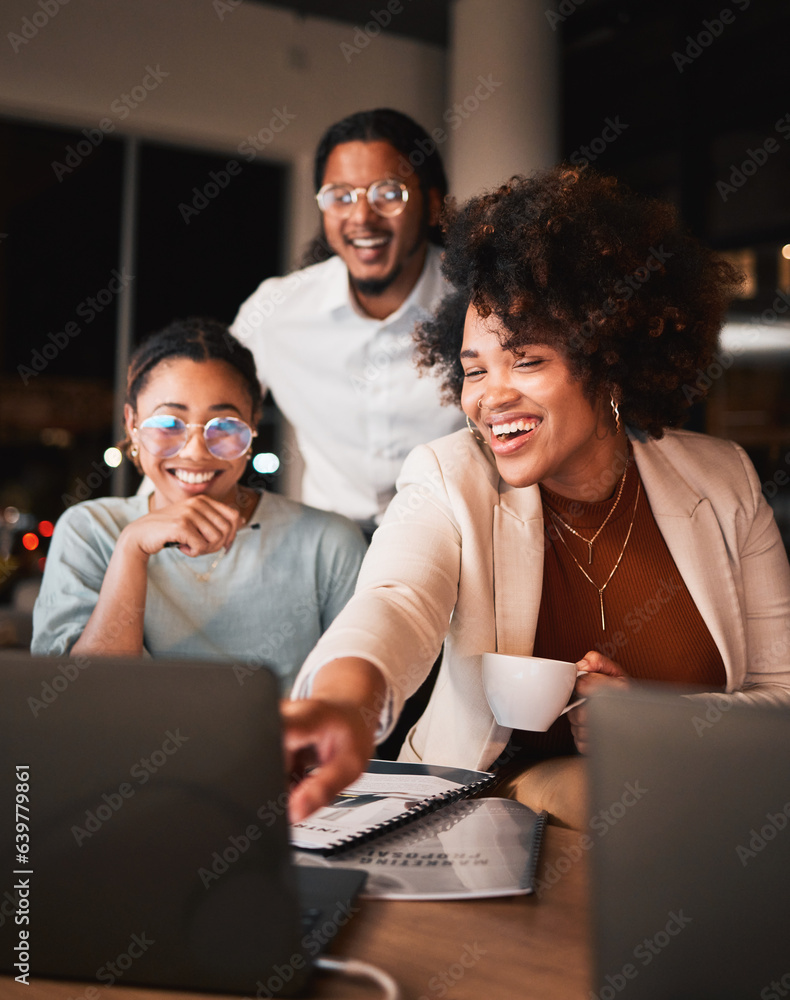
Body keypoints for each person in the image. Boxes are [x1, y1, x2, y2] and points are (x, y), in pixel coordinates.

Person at [282, 165, 790, 824]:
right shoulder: (447, 476)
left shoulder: (723, 480)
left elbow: (781, 696)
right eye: (473, 371)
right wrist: (345, 704)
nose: (491, 397)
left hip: (687, 827)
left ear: (606, 359)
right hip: (482, 823)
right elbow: (397, 601)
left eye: (527, 361)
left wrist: (648, 724)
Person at [32, 318, 366, 692]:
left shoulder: (328, 542)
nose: (195, 452)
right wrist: (132, 548)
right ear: (132, 425)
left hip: (274, 752)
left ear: (253, 424)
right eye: (168, 423)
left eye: (223, 426)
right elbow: (81, 698)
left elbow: (352, 698)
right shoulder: (89, 530)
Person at [231, 108, 465, 537]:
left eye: (387, 194)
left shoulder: (481, 304)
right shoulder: (276, 313)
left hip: (461, 546)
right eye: (340, 195)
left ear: (432, 205)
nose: (361, 217)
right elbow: (207, 401)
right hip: (329, 553)